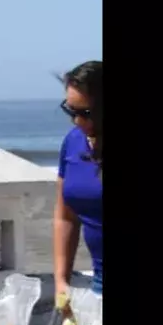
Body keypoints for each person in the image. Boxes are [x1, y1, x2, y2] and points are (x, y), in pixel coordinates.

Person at [52, 60, 102, 310]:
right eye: (71, 111)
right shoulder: (73, 143)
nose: (77, 122)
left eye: (86, 113)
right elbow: (66, 216)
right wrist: (62, 280)